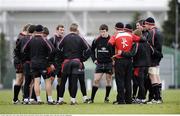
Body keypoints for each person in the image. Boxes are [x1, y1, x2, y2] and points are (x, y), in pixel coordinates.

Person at [57, 23, 91, 105]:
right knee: (74, 82)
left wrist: (62, 58)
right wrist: (83, 58)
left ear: (70, 29)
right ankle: (73, 100)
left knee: (63, 82)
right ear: (77, 29)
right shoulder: (80, 38)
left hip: (66, 62)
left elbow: (58, 48)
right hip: (76, 62)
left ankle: (60, 99)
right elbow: (88, 49)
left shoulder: (65, 38)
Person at [22, 25, 56, 104]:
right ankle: (50, 100)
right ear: (42, 31)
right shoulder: (44, 40)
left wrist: (31, 57)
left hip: (33, 64)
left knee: (36, 81)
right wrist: (48, 59)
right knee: (47, 81)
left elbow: (23, 50)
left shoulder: (31, 40)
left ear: (35, 31)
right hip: (43, 64)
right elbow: (52, 50)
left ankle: (38, 99)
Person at [108, 22, 134, 104]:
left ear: (116, 28)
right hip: (129, 60)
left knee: (120, 81)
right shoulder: (130, 35)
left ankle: (121, 100)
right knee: (128, 81)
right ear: (123, 28)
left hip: (119, 60)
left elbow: (109, 44)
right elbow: (140, 39)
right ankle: (129, 100)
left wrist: (113, 55)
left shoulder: (115, 35)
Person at [88, 24, 114, 104]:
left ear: (107, 31)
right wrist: (94, 59)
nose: (102, 33)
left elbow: (115, 50)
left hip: (109, 63)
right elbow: (91, 50)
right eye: (101, 32)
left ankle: (106, 97)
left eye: (103, 31)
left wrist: (114, 60)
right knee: (96, 80)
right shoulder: (96, 40)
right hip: (99, 63)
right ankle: (92, 99)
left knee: (108, 80)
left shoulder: (111, 39)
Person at [145, 17, 163, 104]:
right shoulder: (159, 31)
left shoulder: (152, 32)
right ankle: (159, 97)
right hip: (158, 56)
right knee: (157, 76)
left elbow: (150, 47)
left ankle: (157, 98)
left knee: (153, 76)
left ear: (149, 24)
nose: (145, 26)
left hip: (153, 57)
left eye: (145, 24)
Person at [13, 24, 31, 104]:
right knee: (21, 79)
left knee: (22, 79)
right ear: (27, 30)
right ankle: (16, 99)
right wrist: (21, 59)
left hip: (20, 60)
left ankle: (22, 98)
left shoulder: (21, 36)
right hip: (20, 61)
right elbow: (18, 50)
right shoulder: (22, 37)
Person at [49, 25, 65, 102]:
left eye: (63, 30)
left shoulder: (64, 39)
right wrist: (50, 63)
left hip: (61, 64)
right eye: (60, 30)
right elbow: (48, 52)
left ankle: (59, 99)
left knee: (60, 81)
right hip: (53, 64)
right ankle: (49, 99)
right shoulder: (52, 39)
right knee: (51, 81)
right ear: (57, 30)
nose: (62, 31)